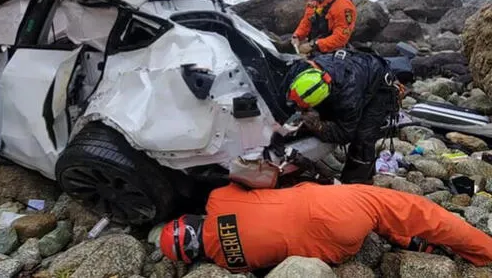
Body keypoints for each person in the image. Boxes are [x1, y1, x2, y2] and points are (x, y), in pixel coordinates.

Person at [157, 182, 492, 273]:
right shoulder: (218, 200)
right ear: (190, 221)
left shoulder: (227, 262)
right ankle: (484, 252)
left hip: (338, 251)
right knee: (417, 210)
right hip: (334, 208)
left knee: (374, 221)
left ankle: (411, 243)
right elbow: (260, 179)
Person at [276, 48, 400, 184]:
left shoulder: (348, 100)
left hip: (379, 85)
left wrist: (318, 126)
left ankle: (356, 183)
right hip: (354, 70)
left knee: (363, 138)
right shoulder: (301, 69)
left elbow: (345, 134)